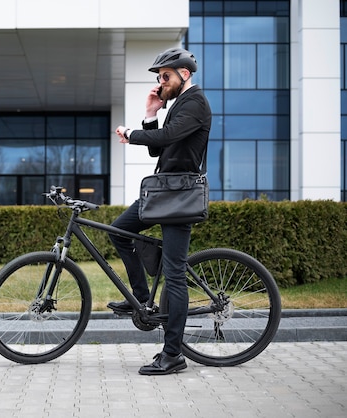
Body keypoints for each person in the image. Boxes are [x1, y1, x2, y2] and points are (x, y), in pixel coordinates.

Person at [108, 47, 212, 375]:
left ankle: (172, 355)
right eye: (159, 77)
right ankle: (141, 298)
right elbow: (159, 145)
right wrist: (151, 112)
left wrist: (131, 133)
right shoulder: (179, 104)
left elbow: (166, 137)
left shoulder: (195, 103)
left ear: (185, 73)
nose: (160, 82)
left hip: (179, 195)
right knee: (119, 232)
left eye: (165, 76)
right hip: (163, 190)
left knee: (175, 275)